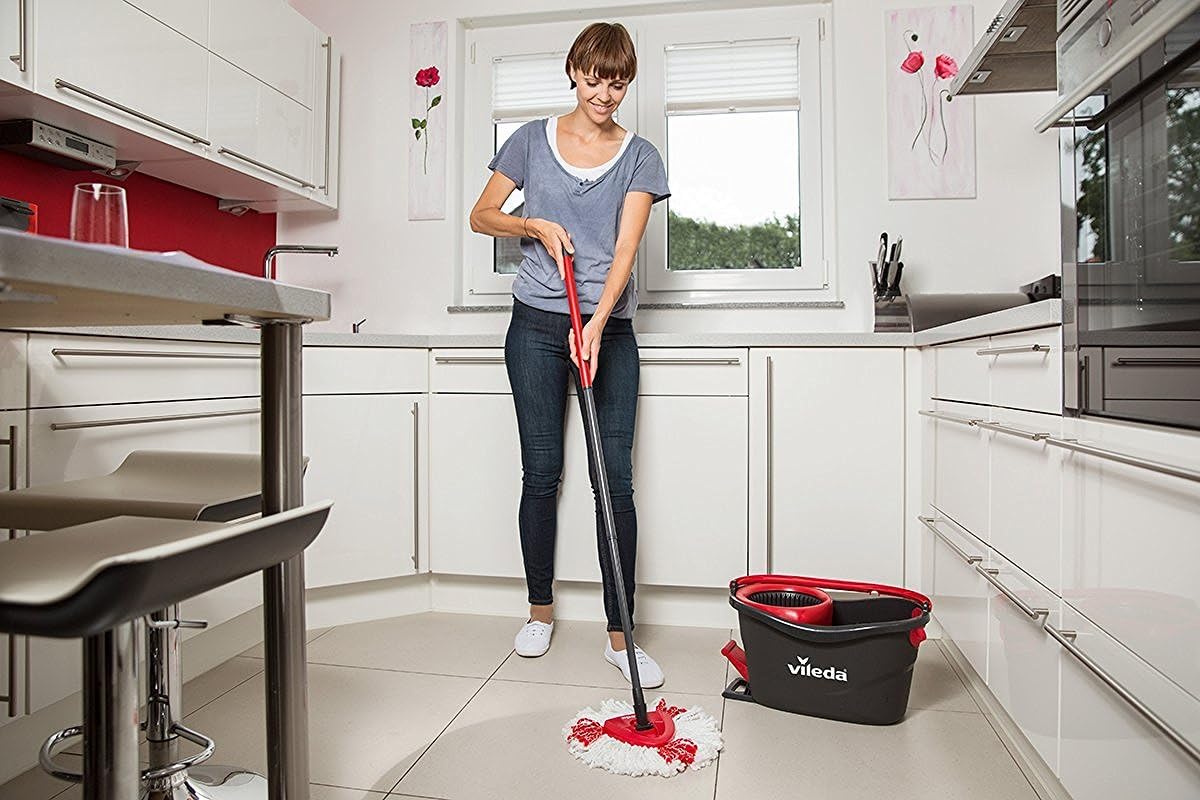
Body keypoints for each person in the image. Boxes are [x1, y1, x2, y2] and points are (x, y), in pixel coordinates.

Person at [468, 21, 671, 687]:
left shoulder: (640, 156)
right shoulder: (530, 141)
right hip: (533, 326)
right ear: (573, 72)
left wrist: (600, 323)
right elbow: (482, 214)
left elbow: (624, 251)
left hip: (605, 331)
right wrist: (532, 223)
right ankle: (539, 611)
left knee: (614, 481)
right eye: (593, 78)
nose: (604, 93)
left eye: (616, 81)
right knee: (542, 473)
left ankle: (622, 636)